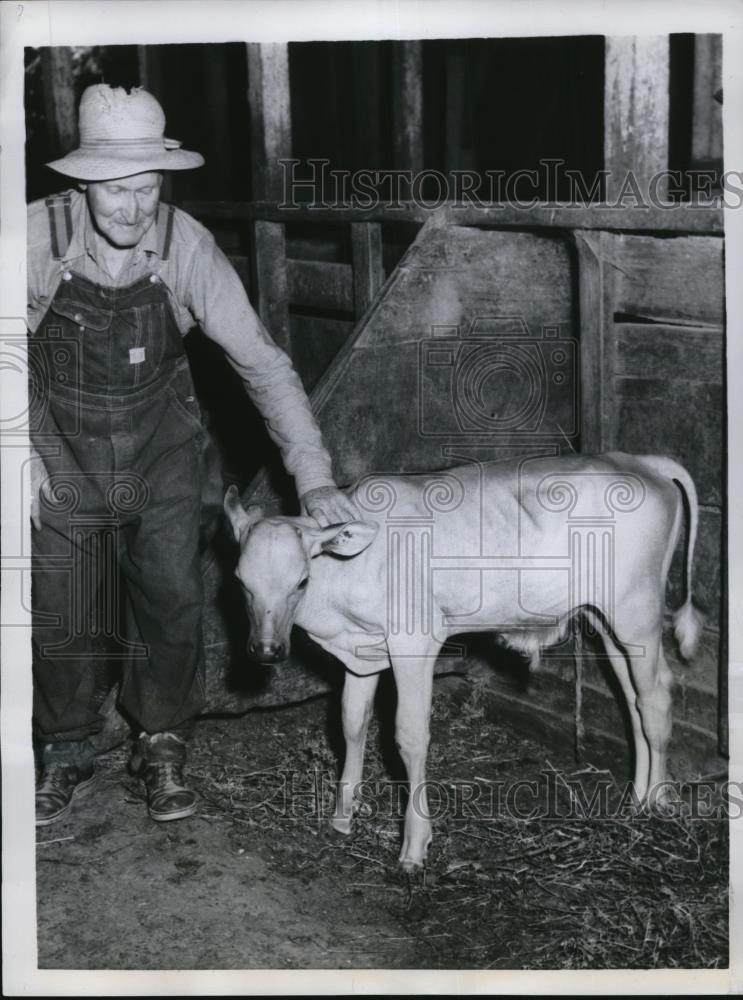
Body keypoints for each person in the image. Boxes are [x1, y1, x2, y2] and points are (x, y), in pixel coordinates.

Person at [28, 84, 356, 827]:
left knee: (169, 591)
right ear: (82, 182)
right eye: (114, 191)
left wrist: (314, 476)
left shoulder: (186, 245)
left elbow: (262, 365)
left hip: (161, 445)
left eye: (147, 189)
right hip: (60, 444)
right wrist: (18, 458)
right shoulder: (32, 240)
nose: (133, 210)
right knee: (63, 599)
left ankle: (162, 737)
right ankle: (65, 745)